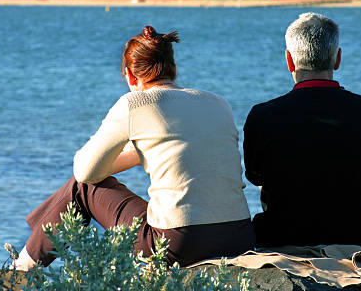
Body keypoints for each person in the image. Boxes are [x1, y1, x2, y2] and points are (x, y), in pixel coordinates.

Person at [13, 25, 254, 270]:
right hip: (239, 237)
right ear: (173, 69)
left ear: (129, 75)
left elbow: (84, 172)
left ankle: (21, 270)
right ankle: (35, 241)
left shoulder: (136, 103)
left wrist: (135, 155)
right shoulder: (217, 103)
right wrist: (143, 153)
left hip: (177, 244)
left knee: (81, 188)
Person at [243, 13, 361, 251]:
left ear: (289, 61)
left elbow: (256, 177)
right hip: (360, 242)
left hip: (283, 240)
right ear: (337, 59)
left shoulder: (262, 115)